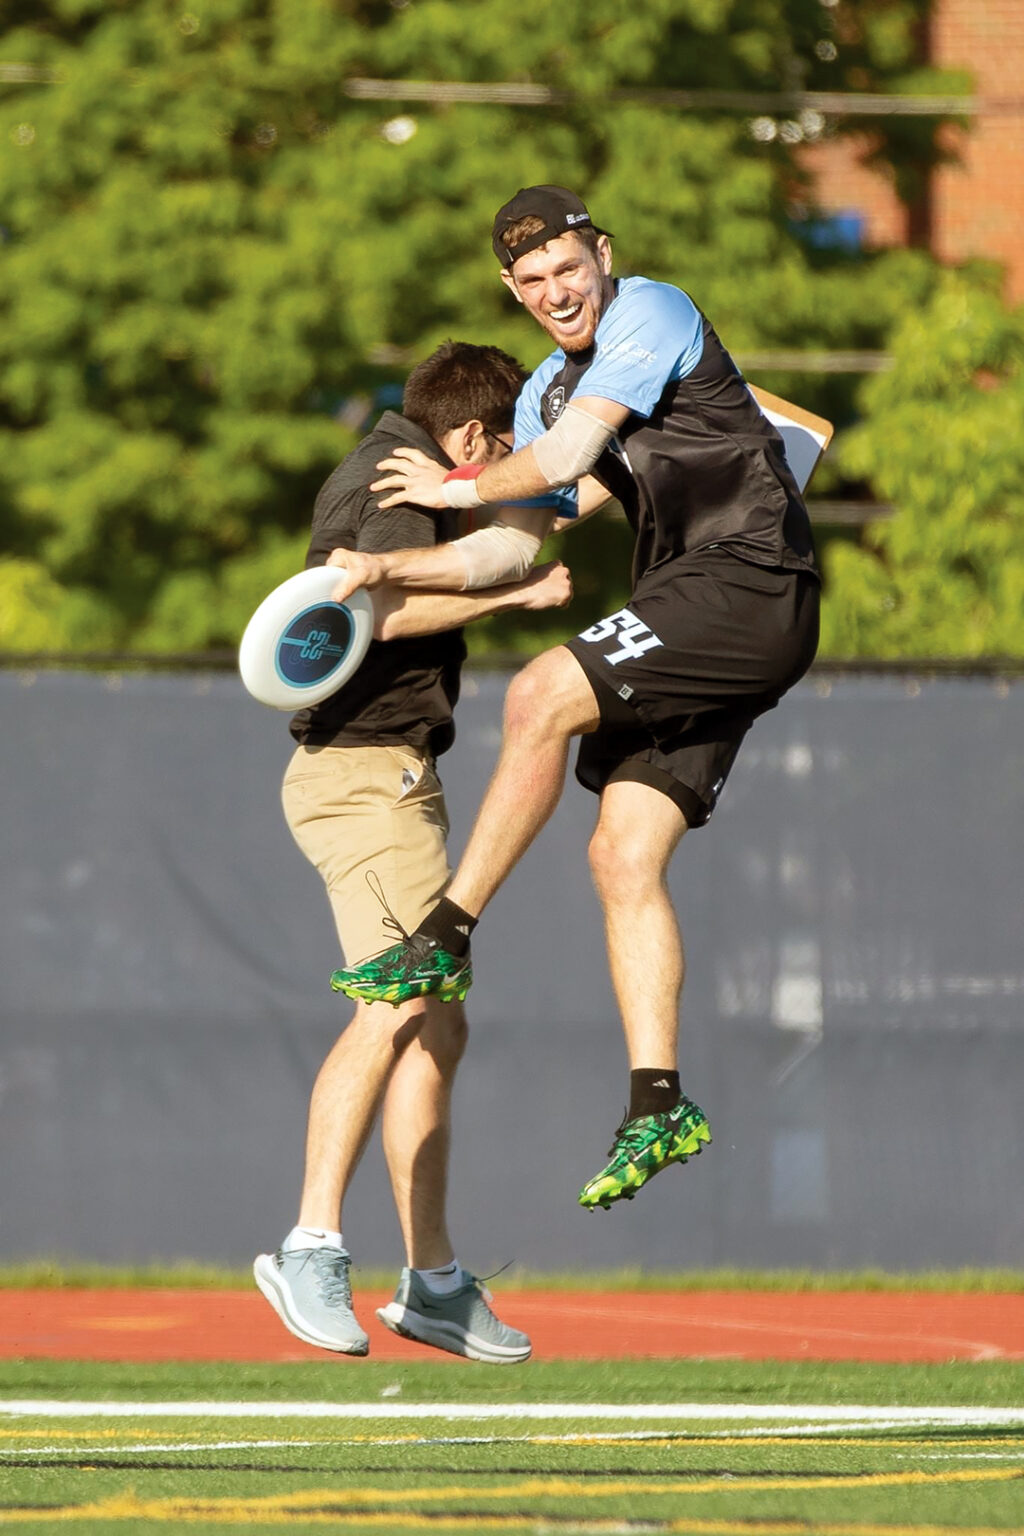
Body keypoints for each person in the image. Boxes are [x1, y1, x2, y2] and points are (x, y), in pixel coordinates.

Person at [328, 186, 820, 1215]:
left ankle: (443, 936)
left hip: (745, 584)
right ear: (511, 289)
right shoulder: (550, 385)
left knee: (542, 693)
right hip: (695, 610)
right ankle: (659, 1101)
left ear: (603, 254)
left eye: (570, 268)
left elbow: (550, 464)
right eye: (534, 279)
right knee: (620, 854)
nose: (558, 291)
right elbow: (548, 510)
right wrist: (395, 577)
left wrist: (448, 488)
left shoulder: (651, 310)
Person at [254, 340, 572, 1363]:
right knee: (395, 1002)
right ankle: (308, 1242)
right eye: (506, 442)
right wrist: (510, 602)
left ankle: (433, 1281)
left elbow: (523, 520)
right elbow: (376, 609)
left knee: (436, 1030)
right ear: (472, 435)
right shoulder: (398, 478)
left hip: (388, 780)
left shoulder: (399, 459)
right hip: (364, 780)